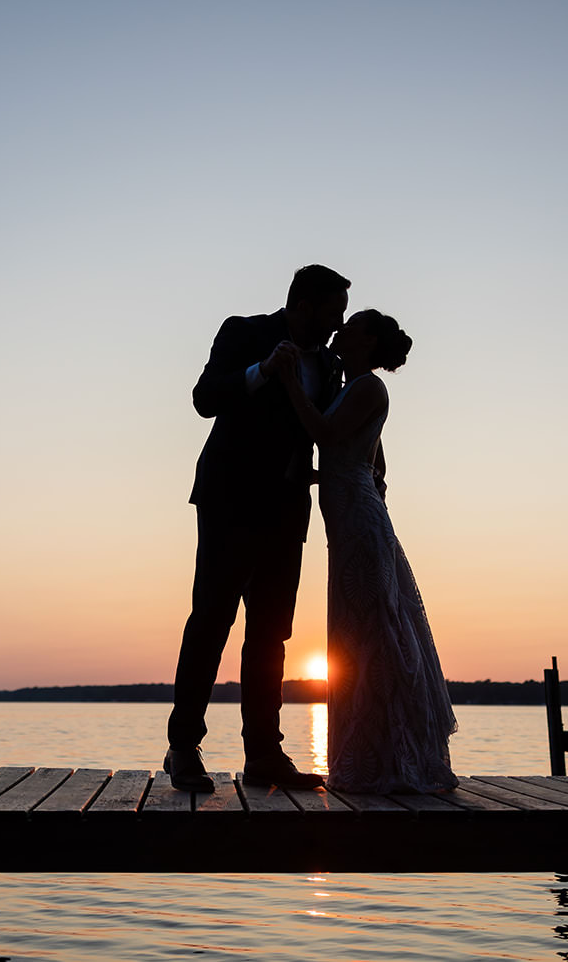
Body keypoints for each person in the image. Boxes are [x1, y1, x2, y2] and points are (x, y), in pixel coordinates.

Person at [165, 264, 350, 792]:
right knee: (211, 621)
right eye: (332, 311)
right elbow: (205, 400)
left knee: (272, 635)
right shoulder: (243, 332)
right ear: (303, 304)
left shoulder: (331, 363)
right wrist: (263, 371)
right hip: (230, 502)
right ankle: (183, 748)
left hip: (289, 510)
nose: (337, 324)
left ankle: (264, 755)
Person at [279, 309, 458, 793]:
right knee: (357, 630)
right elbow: (367, 460)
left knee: (374, 628)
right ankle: (369, 755)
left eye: (352, 325)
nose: (341, 328)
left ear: (369, 341)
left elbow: (328, 435)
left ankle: (393, 757)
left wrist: (290, 379)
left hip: (358, 521)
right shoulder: (349, 386)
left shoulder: (369, 388)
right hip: (347, 513)